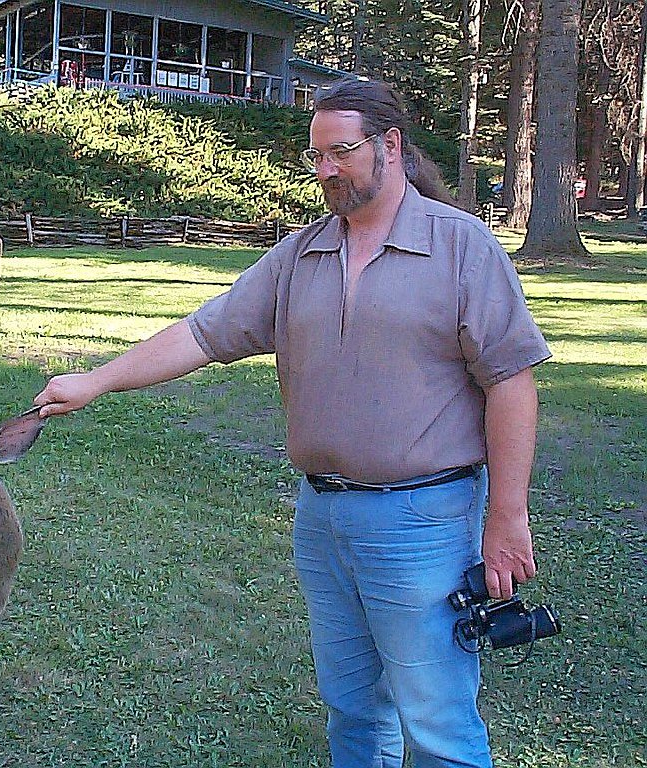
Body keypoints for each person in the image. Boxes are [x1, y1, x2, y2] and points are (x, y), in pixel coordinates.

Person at [33, 77, 550, 768]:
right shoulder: (302, 253)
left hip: (423, 520)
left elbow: (511, 383)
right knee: (354, 711)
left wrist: (507, 516)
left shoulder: (461, 247)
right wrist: (97, 380)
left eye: (340, 152)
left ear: (389, 146)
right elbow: (204, 333)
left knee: (437, 723)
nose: (326, 170)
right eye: (316, 157)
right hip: (323, 517)